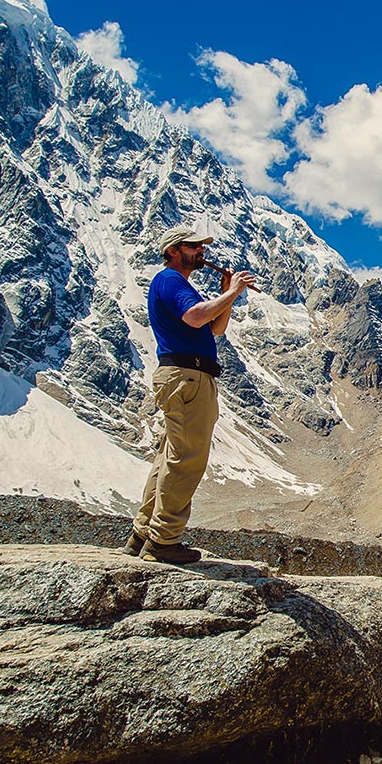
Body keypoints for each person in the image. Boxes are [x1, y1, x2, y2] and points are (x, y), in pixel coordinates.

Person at [122, 222, 256, 564]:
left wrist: (226, 296)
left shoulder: (181, 284)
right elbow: (196, 318)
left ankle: (143, 533)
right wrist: (234, 291)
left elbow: (215, 328)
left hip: (187, 375)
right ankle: (164, 539)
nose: (201, 251)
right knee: (187, 459)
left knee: (170, 455)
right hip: (187, 376)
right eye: (193, 247)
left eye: (202, 246)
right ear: (173, 251)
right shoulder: (170, 281)